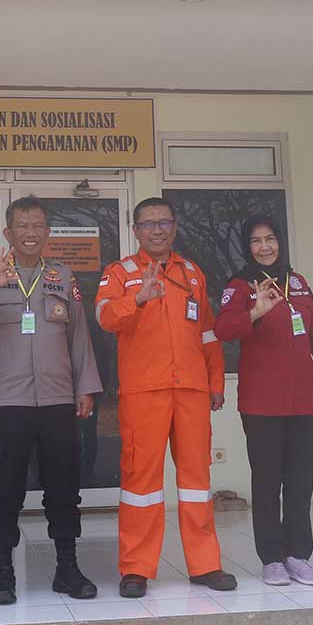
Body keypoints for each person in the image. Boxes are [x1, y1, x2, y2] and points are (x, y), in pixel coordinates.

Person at [0, 195, 102, 605]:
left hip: (56, 400)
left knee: (64, 489)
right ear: (8, 232)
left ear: (47, 232)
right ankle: (3, 573)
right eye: (22, 226)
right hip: (7, 402)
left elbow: (79, 337)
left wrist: (85, 387)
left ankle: (66, 569)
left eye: (38, 226)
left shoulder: (62, 276)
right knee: (4, 490)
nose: (31, 233)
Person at [96, 197, 237, 598]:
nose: (156, 230)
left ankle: (206, 564)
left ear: (174, 228)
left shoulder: (192, 273)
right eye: (148, 223)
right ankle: (136, 568)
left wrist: (215, 383)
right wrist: (138, 299)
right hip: (144, 392)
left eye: (164, 222)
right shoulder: (120, 272)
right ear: (136, 229)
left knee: (196, 481)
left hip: (191, 390)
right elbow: (105, 318)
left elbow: (207, 332)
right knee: (141, 484)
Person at [215, 215, 313, 588]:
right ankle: (271, 557)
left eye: (270, 239)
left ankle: (298, 555)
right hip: (261, 402)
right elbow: (223, 330)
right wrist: (256, 311)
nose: (265, 247)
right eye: (256, 241)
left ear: (279, 242)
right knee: (268, 481)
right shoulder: (239, 286)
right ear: (247, 246)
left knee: (301, 481)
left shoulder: (298, 283)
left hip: (302, 398)